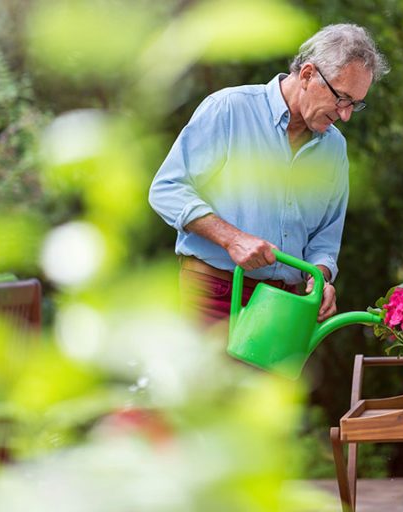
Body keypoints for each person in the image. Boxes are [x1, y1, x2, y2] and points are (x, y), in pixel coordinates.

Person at [149, 24, 388, 324]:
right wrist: (232, 239)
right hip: (215, 294)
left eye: (354, 103)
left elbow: (325, 239)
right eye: (341, 98)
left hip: (283, 305)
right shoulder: (230, 109)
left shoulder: (335, 148)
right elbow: (167, 189)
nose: (345, 114)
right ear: (307, 75)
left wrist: (321, 277)